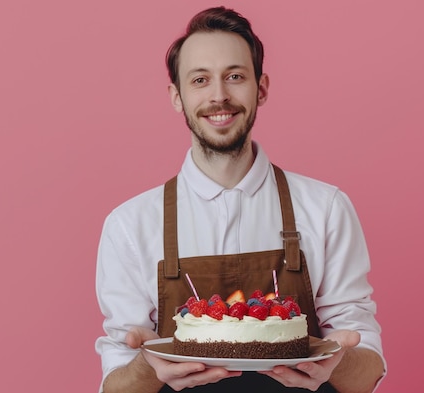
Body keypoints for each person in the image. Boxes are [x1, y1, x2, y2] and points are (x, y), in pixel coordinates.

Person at [95, 6, 386, 393]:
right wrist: (149, 368)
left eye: (235, 76)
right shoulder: (129, 225)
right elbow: (116, 384)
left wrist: (336, 365)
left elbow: (365, 371)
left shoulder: (326, 208)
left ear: (261, 88)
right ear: (177, 97)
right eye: (200, 80)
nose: (219, 96)